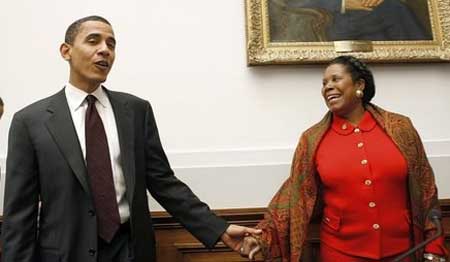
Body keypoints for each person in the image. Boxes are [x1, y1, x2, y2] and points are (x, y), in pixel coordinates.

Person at [1, 15, 260, 262]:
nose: (105, 50)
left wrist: (219, 229)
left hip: (131, 250)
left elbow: (164, 183)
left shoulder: (136, 111)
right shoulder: (31, 122)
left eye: (111, 44)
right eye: (93, 41)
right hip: (65, 253)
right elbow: (19, 215)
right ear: (65, 51)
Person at [241, 56, 448, 261]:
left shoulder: (401, 128)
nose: (327, 87)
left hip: (406, 252)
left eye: (335, 79)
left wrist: (435, 247)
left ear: (359, 85)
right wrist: (261, 237)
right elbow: (293, 195)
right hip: (341, 254)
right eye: (324, 83)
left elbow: (426, 188)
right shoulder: (311, 140)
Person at [285, 0, 432, 41]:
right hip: (335, 20)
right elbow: (293, 2)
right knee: (396, 9)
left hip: (369, 14)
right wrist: (343, 3)